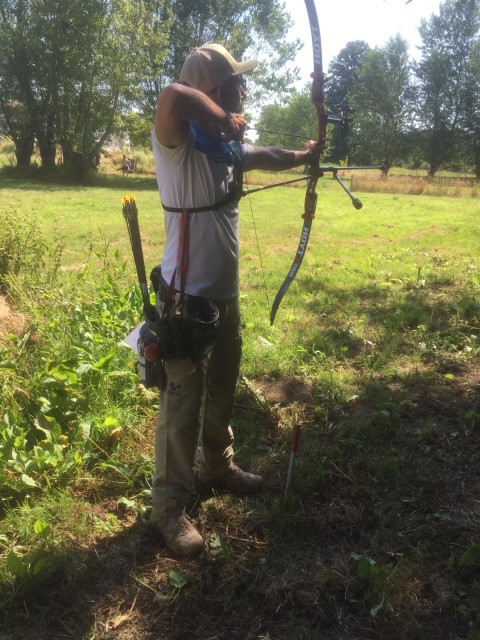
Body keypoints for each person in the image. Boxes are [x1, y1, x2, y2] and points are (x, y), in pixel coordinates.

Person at [151, 43, 320, 556]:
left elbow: (265, 156)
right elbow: (173, 96)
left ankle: (218, 467)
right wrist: (224, 119)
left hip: (223, 297)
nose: (244, 90)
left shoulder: (226, 151)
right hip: (185, 297)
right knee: (182, 403)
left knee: (223, 387)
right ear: (214, 91)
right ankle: (169, 509)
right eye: (234, 83)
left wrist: (304, 155)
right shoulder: (177, 144)